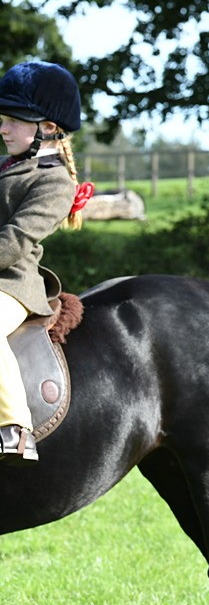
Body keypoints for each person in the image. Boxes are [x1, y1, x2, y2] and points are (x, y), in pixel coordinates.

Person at [0, 61, 89, 465]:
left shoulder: (55, 182)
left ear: (47, 128)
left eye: (13, 121)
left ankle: (15, 429)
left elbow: (17, 239)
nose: (3, 129)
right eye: (3, 120)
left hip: (12, 285)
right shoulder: (7, 168)